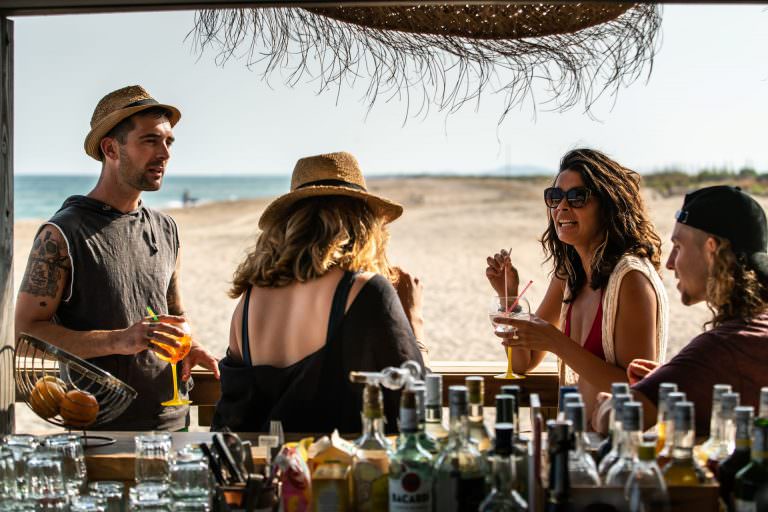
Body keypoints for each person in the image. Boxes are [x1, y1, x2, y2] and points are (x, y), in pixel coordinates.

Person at [14, 85, 218, 431]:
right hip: (99, 430)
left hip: (172, 422)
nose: (165, 153)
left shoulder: (166, 229)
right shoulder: (62, 233)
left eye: (169, 142)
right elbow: (26, 331)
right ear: (111, 148)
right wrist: (120, 339)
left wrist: (193, 346)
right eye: (150, 140)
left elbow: (174, 313)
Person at [212, 151, 427, 433]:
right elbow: (418, 407)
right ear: (362, 221)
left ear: (288, 223)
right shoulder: (365, 290)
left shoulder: (248, 301)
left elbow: (234, 413)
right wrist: (415, 321)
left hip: (273, 472)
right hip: (340, 471)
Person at [485, 148, 669, 417]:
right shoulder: (568, 276)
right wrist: (509, 296)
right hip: (575, 441)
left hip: (616, 448)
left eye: (577, 197)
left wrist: (557, 343)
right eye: (555, 196)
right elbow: (524, 362)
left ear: (608, 205)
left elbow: (640, 390)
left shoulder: (631, 281)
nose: (562, 206)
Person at [594, 186, 768, 436]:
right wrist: (675, 378)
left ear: (712, 249)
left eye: (678, 247)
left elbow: (617, 420)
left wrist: (605, 406)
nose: (670, 263)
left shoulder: (725, 347)